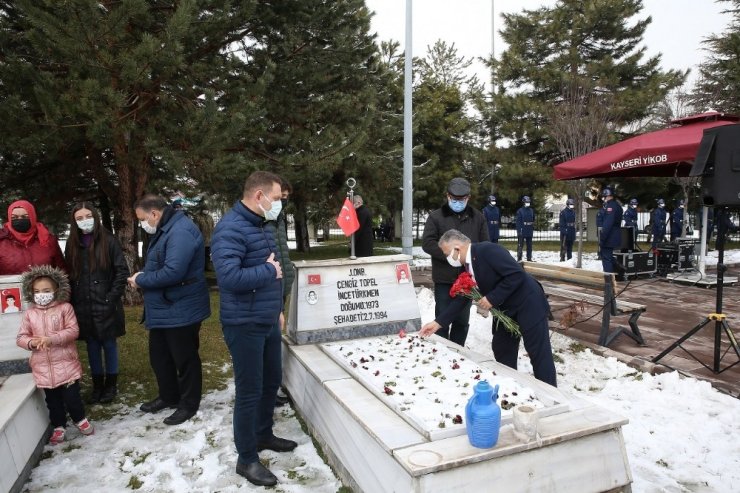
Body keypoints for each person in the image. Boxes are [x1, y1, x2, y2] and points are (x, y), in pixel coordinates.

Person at [211, 171, 296, 487]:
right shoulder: (230, 229)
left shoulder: (259, 224)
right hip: (244, 324)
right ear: (258, 196)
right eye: (275, 199)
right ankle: (246, 459)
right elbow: (230, 279)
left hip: (267, 319)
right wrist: (267, 270)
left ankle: (263, 434)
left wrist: (277, 310)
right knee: (249, 391)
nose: (278, 205)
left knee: (271, 380)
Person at [419, 230, 557, 387]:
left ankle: (551, 392)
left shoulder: (488, 250)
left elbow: (516, 275)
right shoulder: (466, 267)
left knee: (538, 352)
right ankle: (512, 385)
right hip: (506, 309)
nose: (447, 258)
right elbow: (463, 298)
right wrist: (438, 323)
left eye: (446, 253)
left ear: (457, 248)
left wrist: (492, 298)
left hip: (528, 303)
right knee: (502, 347)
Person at [128, 194, 210, 426]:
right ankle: (169, 396)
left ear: (154, 213)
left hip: (182, 307)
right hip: (165, 306)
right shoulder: (167, 227)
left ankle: (188, 404)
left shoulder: (180, 231)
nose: (142, 224)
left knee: (185, 359)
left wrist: (142, 279)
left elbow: (174, 272)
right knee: (160, 356)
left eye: (142, 219)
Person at [16, 265, 94, 445]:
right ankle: (59, 426)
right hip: (43, 367)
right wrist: (31, 342)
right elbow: (21, 337)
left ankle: (80, 419)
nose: (41, 294)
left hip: (66, 365)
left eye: (46, 290)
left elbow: (73, 331)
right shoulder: (30, 314)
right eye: (36, 291)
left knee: (73, 398)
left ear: (56, 290)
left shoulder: (65, 308)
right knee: (53, 402)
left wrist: (52, 339)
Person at [65, 203, 130, 404]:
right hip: (83, 303)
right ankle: (97, 385)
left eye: (88, 215)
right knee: (92, 344)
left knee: (109, 343)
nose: (84, 220)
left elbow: (121, 271)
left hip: (106, 301)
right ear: (74, 221)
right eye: (79, 217)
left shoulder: (108, 240)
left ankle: (111, 384)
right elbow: (69, 272)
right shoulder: (72, 243)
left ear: (95, 216)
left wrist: (110, 297)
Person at [421, 177, 488, 347]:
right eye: (454, 199)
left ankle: (459, 351)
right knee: (443, 317)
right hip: (444, 277)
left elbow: (485, 244)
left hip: (467, 278)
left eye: (461, 199)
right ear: (447, 196)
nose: (457, 202)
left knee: (462, 320)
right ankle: (443, 349)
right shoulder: (436, 217)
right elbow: (427, 242)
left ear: (468, 198)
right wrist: (449, 255)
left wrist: (472, 259)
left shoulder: (478, 217)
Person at [264, 176, 294, 408]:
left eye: (284, 199)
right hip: (270, 285)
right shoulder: (263, 219)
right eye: (279, 198)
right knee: (268, 342)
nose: (282, 203)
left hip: (280, 282)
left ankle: (272, 387)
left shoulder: (278, 218)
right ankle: (267, 390)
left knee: (275, 339)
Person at [0, 200, 66, 275]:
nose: (20, 219)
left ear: (32, 216)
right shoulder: (2, 241)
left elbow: (62, 270)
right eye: (14, 217)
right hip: (11, 286)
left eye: (25, 216)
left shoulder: (48, 239)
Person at [599, 188, 623, 273]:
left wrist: (602, 238)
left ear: (608, 196)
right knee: (608, 256)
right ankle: (619, 268)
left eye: (604, 197)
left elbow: (608, 224)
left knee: (606, 258)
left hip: (609, 236)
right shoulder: (617, 205)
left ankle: (608, 281)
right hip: (614, 235)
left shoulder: (611, 207)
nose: (604, 199)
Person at [515, 196, 535, 261]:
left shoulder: (531, 210)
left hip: (529, 229)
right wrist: (519, 231)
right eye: (526, 202)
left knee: (529, 245)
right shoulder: (520, 211)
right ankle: (519, 258)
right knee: (520, 245)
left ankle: (529, 258)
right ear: (524, 202)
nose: (528, 203)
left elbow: (533, 219)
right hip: (522, 229)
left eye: (529, 202)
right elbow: (518, 222)